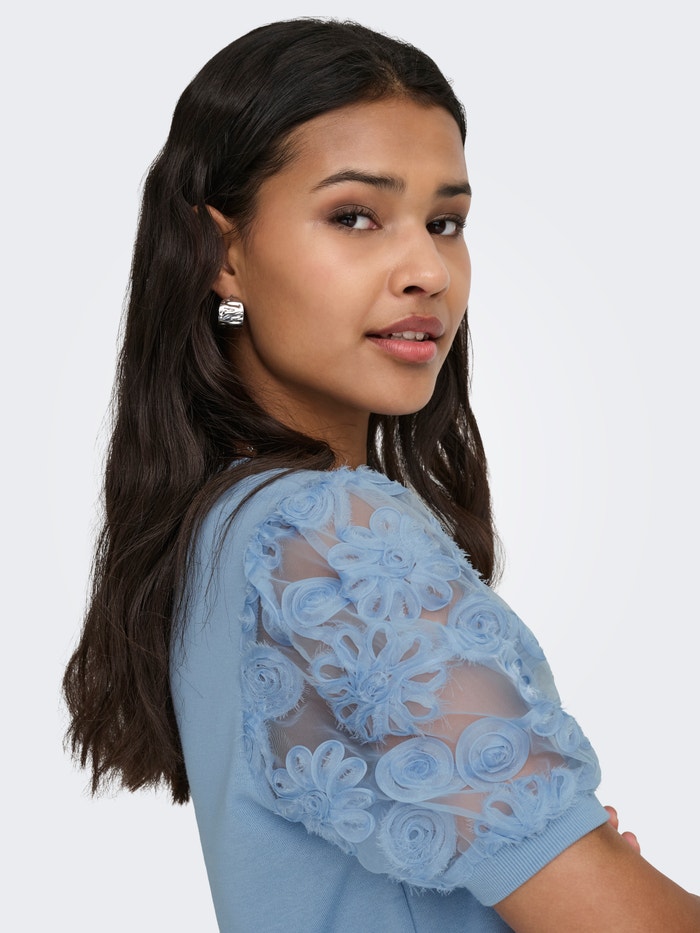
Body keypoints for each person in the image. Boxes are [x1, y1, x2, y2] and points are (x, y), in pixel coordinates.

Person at [62, 18, 700, 933]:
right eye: (355, 215)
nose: (428, 270)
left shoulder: (225, 525)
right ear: (222, 254)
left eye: (446, 222)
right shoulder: (328, 534)